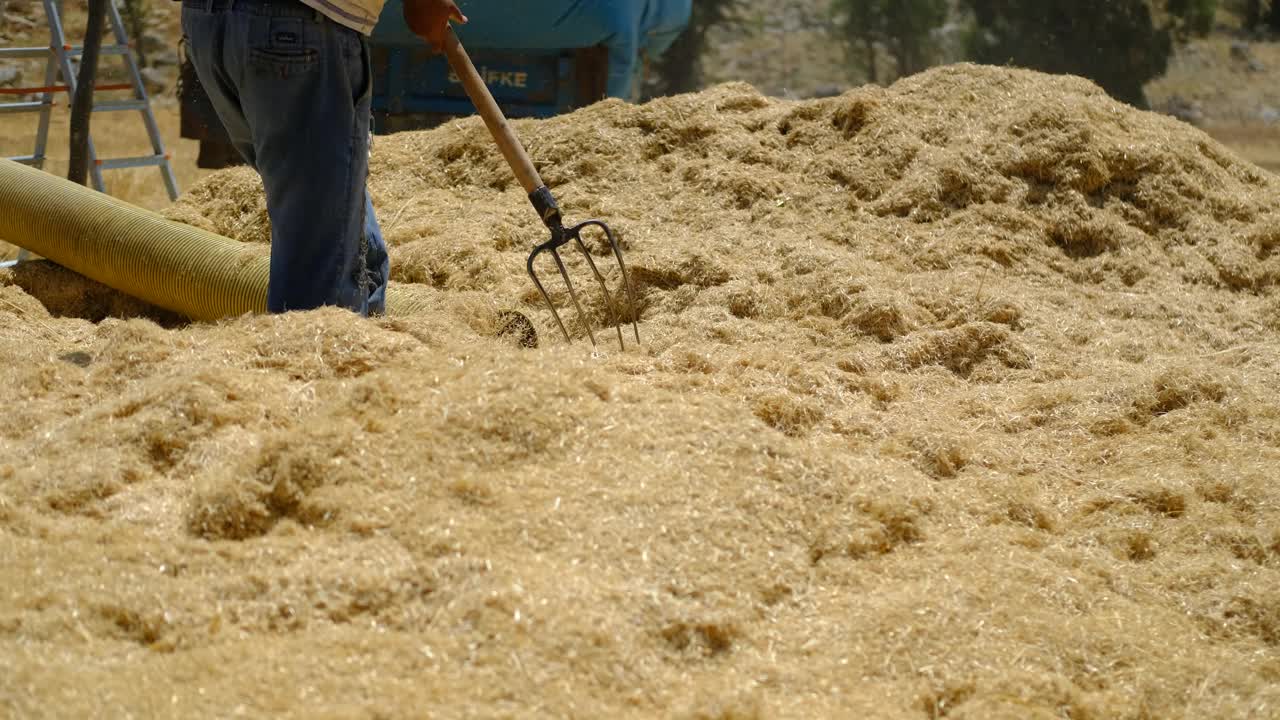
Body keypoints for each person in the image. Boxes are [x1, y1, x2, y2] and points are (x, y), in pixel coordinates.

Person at [180, 0, 466, 315]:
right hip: (294, 28)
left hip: (207, 22)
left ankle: (365, 339)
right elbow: (423, 14)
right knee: (318, 285)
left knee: (337, 224)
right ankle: (314, 359)